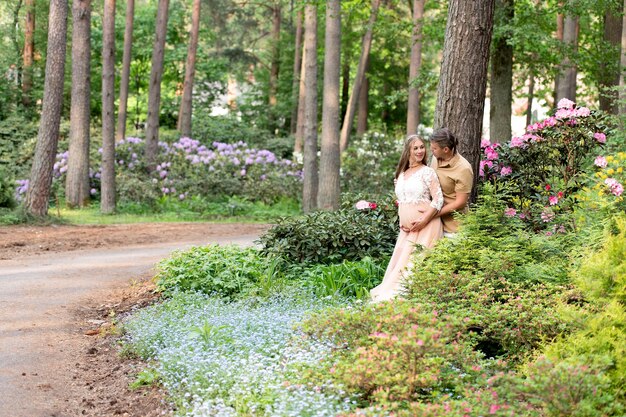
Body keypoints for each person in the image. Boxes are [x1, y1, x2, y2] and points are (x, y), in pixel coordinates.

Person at [370, 135, 444, 302]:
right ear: (408, 151)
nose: (420, 151)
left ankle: (416, 301)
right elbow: (402, 201)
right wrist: (403, 222)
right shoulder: (401, 175)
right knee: (401, 265)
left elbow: (438, 200)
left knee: (415, 265)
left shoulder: (427, 172)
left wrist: (424, 220)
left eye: (422, 147)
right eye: (415, 148)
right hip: (407, 230)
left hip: (426, 226)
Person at [429, 128, 473, 237]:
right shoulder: (435, 158)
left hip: (454, 228)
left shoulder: (463, 168)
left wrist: (433, 214)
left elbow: (460, 202)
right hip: (433, 223)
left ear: (446, 149)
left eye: (434, 148)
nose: (431, 150)